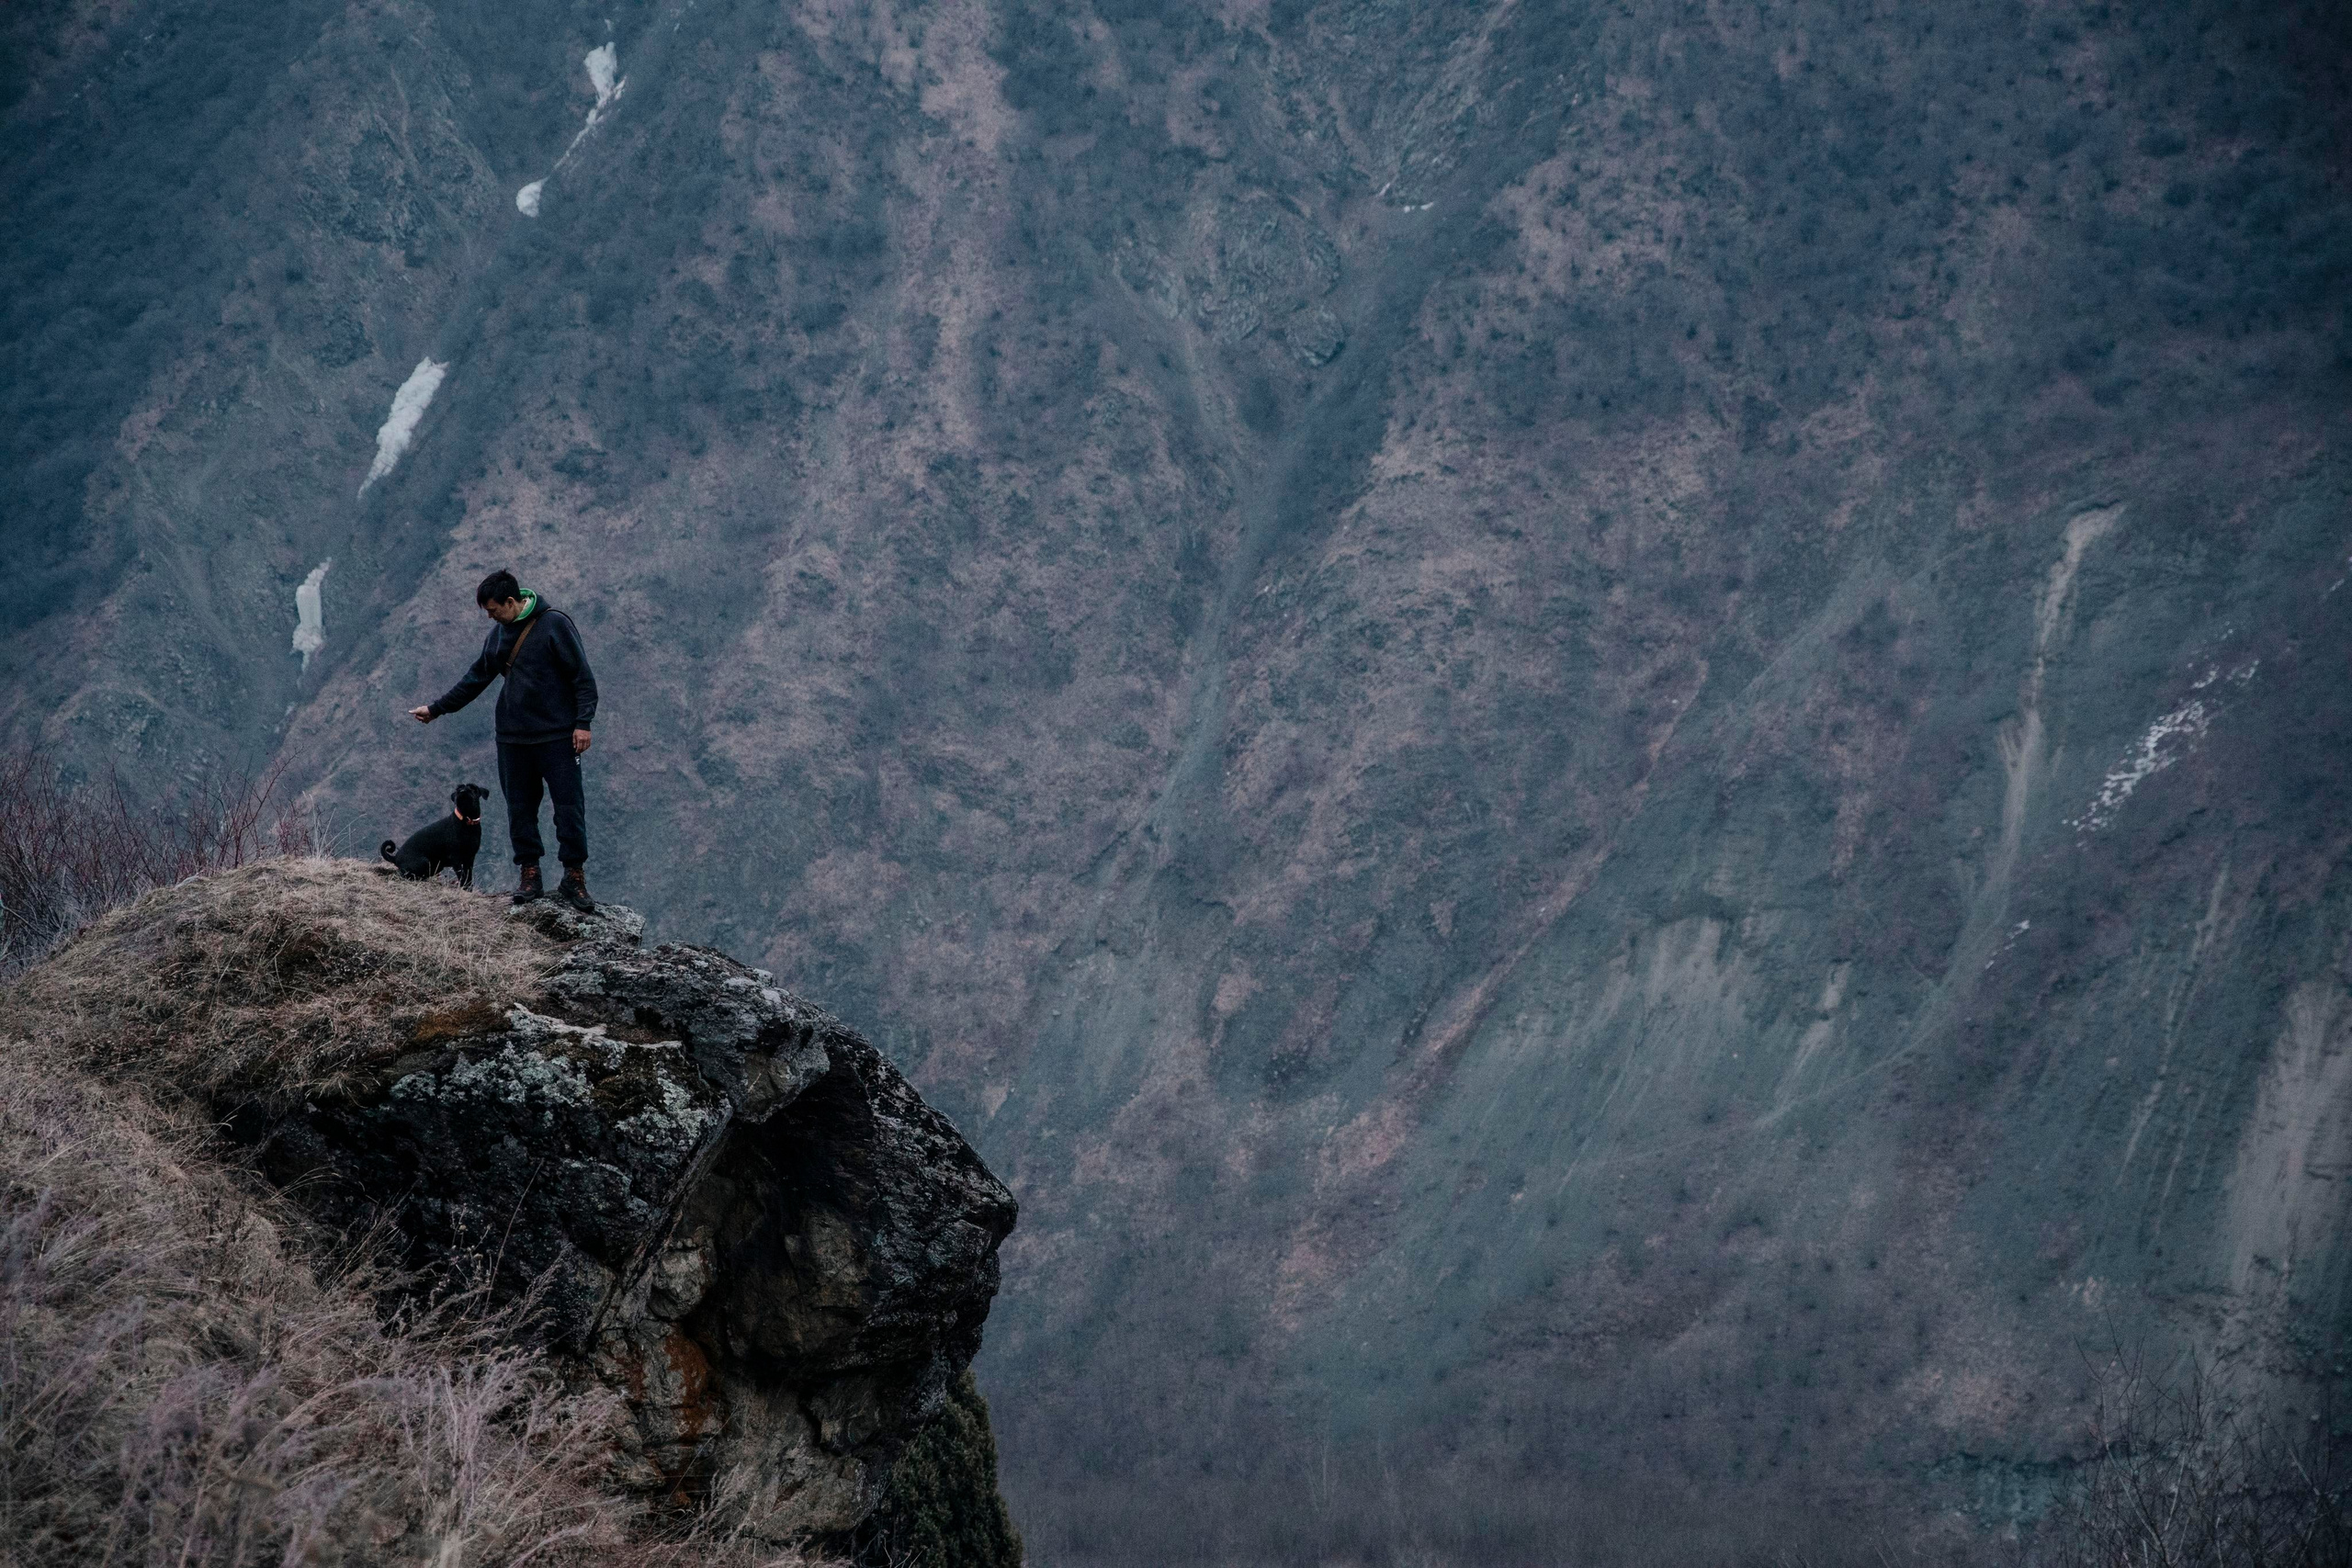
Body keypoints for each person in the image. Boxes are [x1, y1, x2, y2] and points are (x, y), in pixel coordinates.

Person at [409, 570, 599, 909]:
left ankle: (574, 877)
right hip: (512, 739)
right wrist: (436, 709)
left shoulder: (555, 625)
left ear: (512, 602)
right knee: (520, 809)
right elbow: (475, 679)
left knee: (569, 807)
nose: (490, 616)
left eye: (494, 609)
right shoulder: (498, 636)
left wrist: (582, 723)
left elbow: (582, 677)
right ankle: (530, 874)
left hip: (558, 737)